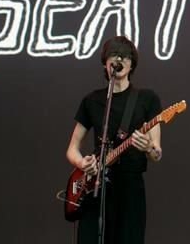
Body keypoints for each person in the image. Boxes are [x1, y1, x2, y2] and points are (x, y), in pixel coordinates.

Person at [67, 37, 163, 244]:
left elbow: (157, 153)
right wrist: (82, 163)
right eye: (114, 55)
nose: (119, 59)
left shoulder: (147, 99)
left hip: (129, 189)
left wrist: (148, 147)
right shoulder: (92, 100)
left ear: (131, 64)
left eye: (125, 56)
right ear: (105, 62)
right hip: (95, 188)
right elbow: (72, 149)